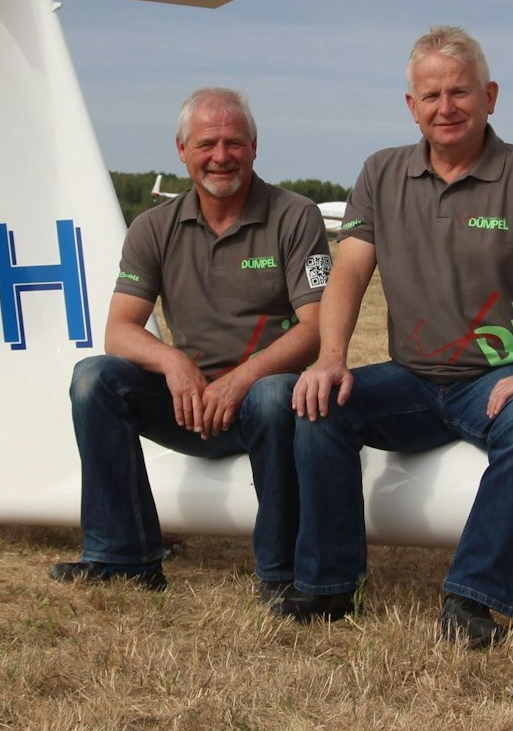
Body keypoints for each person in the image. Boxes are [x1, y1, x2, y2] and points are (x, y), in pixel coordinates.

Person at [280, 26, 513, 646]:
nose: (445, 108)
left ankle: (473, 599)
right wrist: (331, 359)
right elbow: (348, 267)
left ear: (491, 96)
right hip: (412, 379)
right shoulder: (380, 173)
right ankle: (327, 585)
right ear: (411, 105)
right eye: (431, 96)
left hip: (496, 379)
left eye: (460, 92)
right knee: (318, 408)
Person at [51, 87, 331, 597]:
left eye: (233, 143)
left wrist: (243, 379)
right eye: (206, 144)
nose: (220, 157)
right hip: (191, 403)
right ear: (182, 151)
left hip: (265, 403)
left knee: (271, 396)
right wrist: (173, 363)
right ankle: (122, 555)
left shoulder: (296, 216)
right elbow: (120, 330)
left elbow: (316, 330)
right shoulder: (152, 228)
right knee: (94, 378)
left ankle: (281, 574)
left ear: (254, 146)